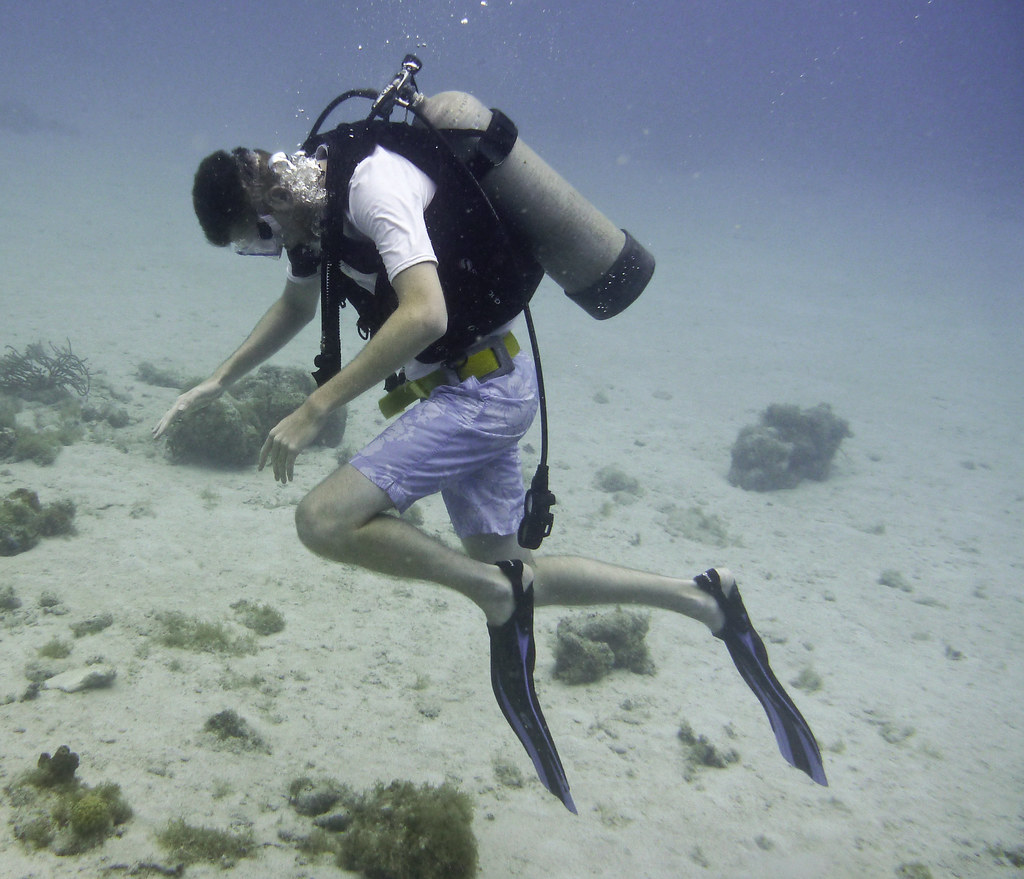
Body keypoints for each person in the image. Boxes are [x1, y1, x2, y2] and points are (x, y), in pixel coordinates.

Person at [154, 86, 826, 812]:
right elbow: (295, 304)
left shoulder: (372, 185)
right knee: (510, 563)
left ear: (270, 202)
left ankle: (497, 598)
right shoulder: (308, 206)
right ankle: (706, 599)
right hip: (471, 383)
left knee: (322, 520)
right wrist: (217, 380)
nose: (268, 252)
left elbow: (425, 313)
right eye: (255, 250)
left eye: (257, 241)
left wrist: (317, 406)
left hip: (482, 392)